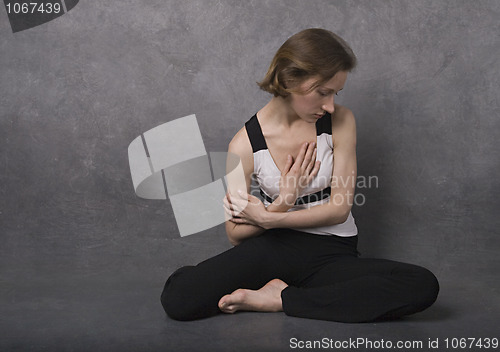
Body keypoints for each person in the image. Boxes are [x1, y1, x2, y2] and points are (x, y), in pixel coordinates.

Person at [161, 28, 439, 322]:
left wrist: (270, 217)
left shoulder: (340, 122)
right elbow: (235, 234)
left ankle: (280, 298)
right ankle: (299, 297)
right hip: (272, 249)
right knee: (180, 298)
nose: (330, 105)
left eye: (335, 93)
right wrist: (285, 199)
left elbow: (339, 209)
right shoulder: (243, 144)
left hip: (332, 251)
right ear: (289, 80)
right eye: (323, 92)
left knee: (421, 284)